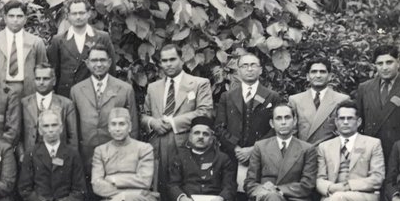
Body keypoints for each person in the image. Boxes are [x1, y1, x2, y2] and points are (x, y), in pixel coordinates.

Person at [215, 53, 283, 182]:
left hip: (263, 157)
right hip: (233, 156)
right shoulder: (227, 96)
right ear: (238, 71)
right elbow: (219, 127)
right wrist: (236, 149)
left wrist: (254, 149)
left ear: (260, 70)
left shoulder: (272, 96)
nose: (249, 69)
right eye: (244, 66)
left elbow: (276, 128)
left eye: (253, 65)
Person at [353, 44, 400, 158]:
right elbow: (359, 123)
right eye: (380, 63)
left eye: (389, 62)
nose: (384, 67)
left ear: (398, 63)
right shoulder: (364, 88)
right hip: (371, 152)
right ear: (375, 66)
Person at [70, 46, 138, 164]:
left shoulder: (125, 89)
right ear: (87, 63)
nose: (99, 64)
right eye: (94, 60)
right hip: (86, 156)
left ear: (109, 62)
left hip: (117, 155)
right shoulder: (76, 90)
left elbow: (133, 127)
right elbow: (73, 129)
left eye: (102, 60)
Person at [144, 44, 214, 152]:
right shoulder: (153, 88)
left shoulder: (199, 84)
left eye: (172, 59)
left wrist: (172, 123)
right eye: (164, 61)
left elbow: (204, 112)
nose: (168, 64)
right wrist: (152, 122)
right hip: (157, 147)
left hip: (186, 146)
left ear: (182, 60)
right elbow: (144, 115)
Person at [46, 0, 115, 97]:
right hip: (66, 95)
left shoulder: (102, 37)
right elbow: (53, 72)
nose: (78, 17)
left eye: (82, 13)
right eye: (74, 13)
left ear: (88, 13)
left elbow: (111, 69)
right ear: (68, 15)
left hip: (94, 95)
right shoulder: (58, 40)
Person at [0, 0, 48, 100]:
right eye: (11, 16)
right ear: (5, 18)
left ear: (25, 19)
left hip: (26, 91)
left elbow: (43, 70)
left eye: (19, 16)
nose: (15, 20)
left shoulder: (36, 42)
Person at [17, 63, 78, 161]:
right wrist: (22, 155)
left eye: (45, 79)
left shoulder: (66, 104)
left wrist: (68, 159)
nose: (41, 82)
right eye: (38, 79)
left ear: (54, 81)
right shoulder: (24, 103)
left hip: (58, 160)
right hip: (30, 159)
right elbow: (18, 135)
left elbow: (72, 137)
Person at [290, 59, 350, 145]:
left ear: (330, 76)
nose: (318, 75)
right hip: (303, 154)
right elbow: (292, 133)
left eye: (322, 72)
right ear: (307, 76)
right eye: (314, 72)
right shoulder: (295, 100)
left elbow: (344, 133)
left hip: (329, 153)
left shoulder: (341, 100)